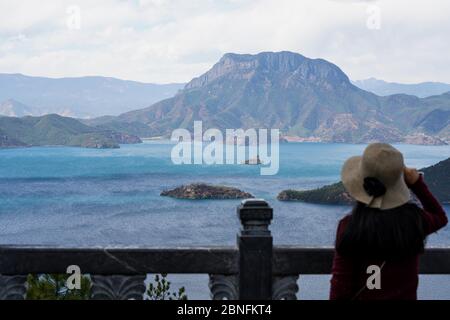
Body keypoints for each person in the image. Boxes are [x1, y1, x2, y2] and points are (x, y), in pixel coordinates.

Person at [330, 143, 447, 300]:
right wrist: (417, 183)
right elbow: (440, 217)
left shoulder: (349, 227)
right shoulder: (414, 221)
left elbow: (340, 287)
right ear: (399, 183)